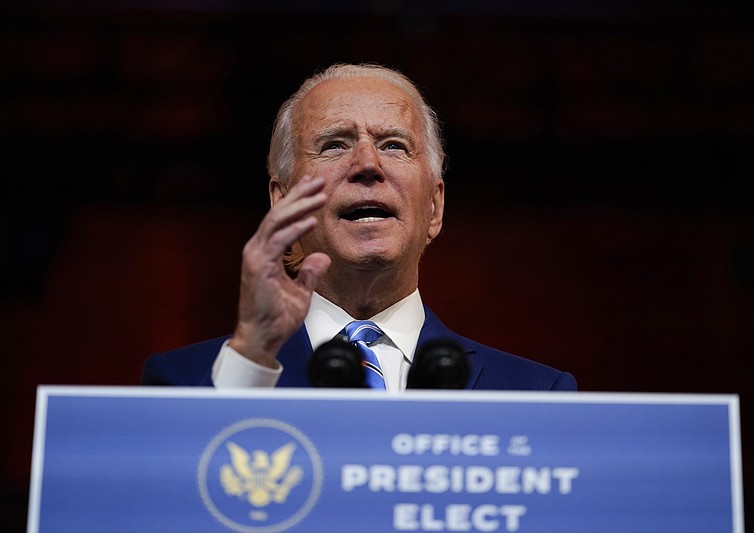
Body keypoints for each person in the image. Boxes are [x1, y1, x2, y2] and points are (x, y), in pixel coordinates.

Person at [141, 63, 576, 392]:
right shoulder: (181, 381)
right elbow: (187, 497)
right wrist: (253, 354)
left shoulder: (536, 395)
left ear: (435, 206)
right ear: (282, 201)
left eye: (394, 145)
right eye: (334, 145)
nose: (368, 165)